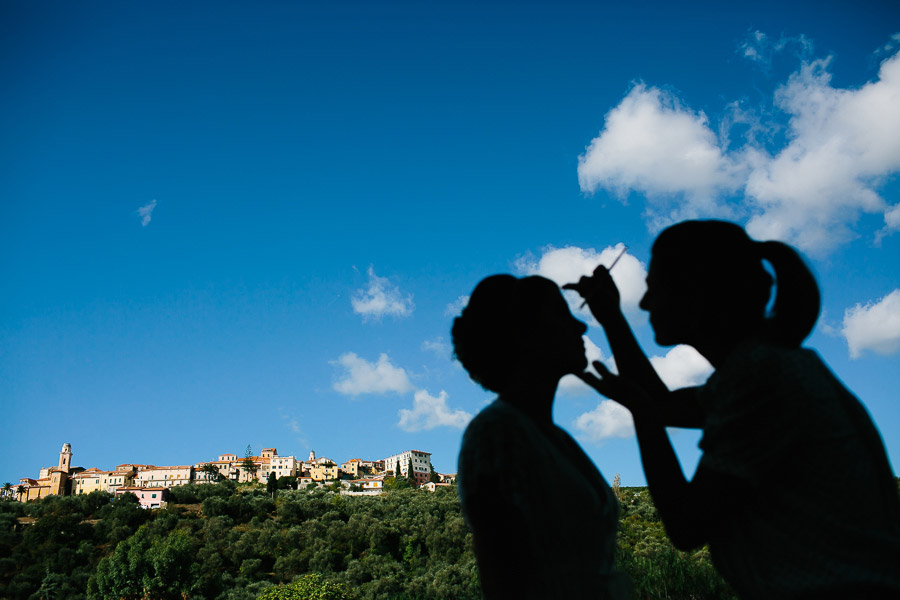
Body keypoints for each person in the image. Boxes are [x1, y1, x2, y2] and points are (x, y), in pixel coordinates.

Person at [566, 220, 900, 600]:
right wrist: (611, 318)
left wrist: (642, 414)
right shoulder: (769, 368)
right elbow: (666, 406)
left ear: (699, 293)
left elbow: (687, 525)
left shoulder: (762, 378)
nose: (643, 303)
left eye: (654, 288)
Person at [453, 274, 631, 600]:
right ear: (525, 334)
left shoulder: (554, 437)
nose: (582, 327)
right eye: (563, 314)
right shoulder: (496, 434)